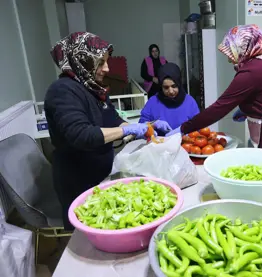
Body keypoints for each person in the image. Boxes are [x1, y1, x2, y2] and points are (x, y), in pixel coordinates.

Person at [167, 25, 262, 203]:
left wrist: (183, 128)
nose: (228, 58)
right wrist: (248, 108)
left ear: (244, 47)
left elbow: (219, 107)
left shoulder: (252, 71)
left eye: (231, 51)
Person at [44, 32, 169, 230]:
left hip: (101, 174)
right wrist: (132, 129)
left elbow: (114, 121)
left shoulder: (94, 89)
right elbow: (82, 135)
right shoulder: (62, 91)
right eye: (100, 63)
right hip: (78, 180)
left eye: (106, 62)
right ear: (82, 60)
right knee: (87, 237)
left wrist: (147, 126)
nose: (107, 68)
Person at [139, 63, 199, 134]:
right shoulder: (152, 102)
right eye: (166, 87)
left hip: (185, 143)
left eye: (174, 86)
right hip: (159, 143)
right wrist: (153, 125)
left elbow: (198, 127)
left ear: (179, 84)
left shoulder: (189, 102)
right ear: (161, 86)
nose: (170, 91)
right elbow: (141, 126)